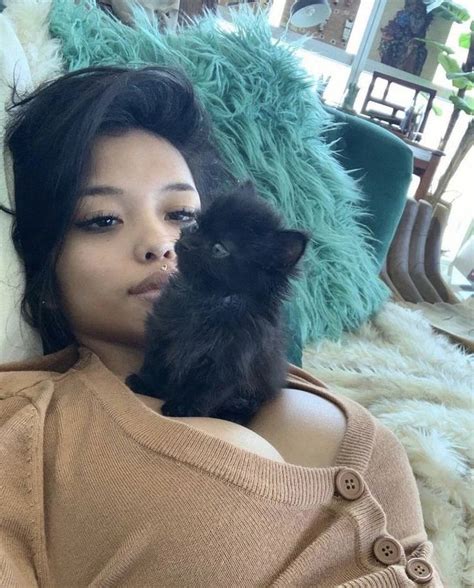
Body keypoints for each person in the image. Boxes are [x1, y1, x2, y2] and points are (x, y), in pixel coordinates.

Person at [0, 65, 443, 586]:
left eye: (183, 215)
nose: (161, 244)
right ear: (42, 258)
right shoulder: (30, 430)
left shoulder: (266, 362)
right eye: (102, 219)